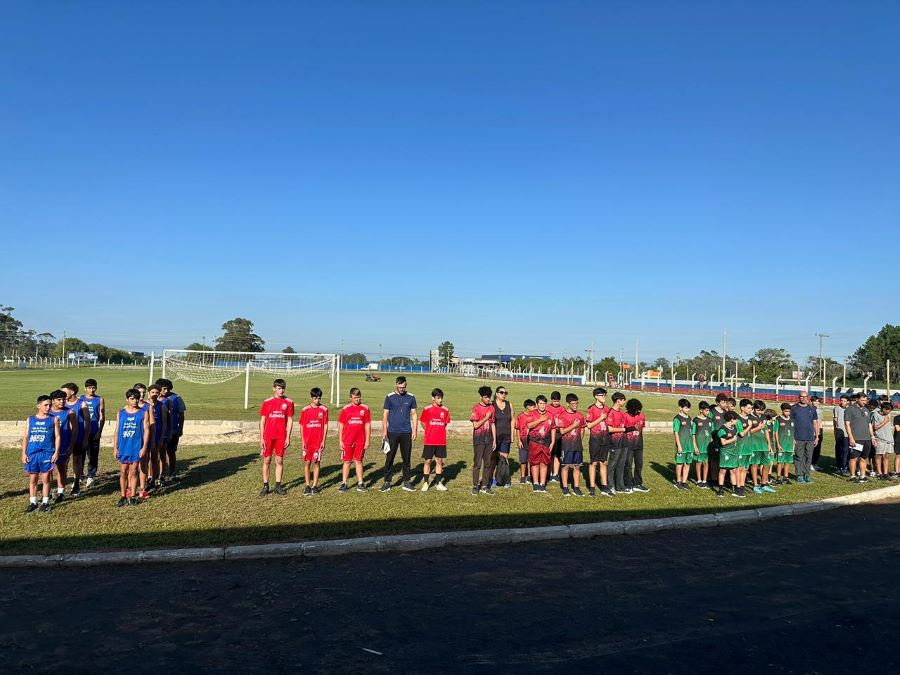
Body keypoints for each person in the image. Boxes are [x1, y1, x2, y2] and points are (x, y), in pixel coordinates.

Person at [21, 395, 61, 513]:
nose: (48, 407)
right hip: (32, 453)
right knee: (33, 479)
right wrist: (24, 453)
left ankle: (45, 502)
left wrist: (56, 452)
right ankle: (33, 502)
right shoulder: (30, 419)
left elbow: (58, 436)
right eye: (45, 405)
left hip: (46, 453)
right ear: (38, 406)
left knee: (46, 478)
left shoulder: (54, 419)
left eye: (50, 405)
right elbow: (26, 437)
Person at [113, 388, 150, 507]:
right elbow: (117, 430)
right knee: (123, 471)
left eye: (136, 399)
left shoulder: (143, 413)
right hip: (123, 446)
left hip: (136, 446)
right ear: (127, 399)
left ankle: (133, 496)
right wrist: (115, 447)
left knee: (134, 470)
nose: (134, 401)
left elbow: (146, 431)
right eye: (132, 399)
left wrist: (144, 447)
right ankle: (123, 496)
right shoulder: (121, 413)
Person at [381, 376, 418, 493]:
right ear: (396, 384)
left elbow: (414, 414)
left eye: (403, 387)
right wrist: (384, 430)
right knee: (390, 457)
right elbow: (385, 415)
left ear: (406, 385)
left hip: (406, 432)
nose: (401, 389)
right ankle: (387, 482)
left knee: (406, 458)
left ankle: (407, 482)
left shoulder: (411, 397)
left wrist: (415, 430)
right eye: (400, 386)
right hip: (392, 432)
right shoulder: (389, 397)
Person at [258, 378, 294, 496]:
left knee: (279, 460)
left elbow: (289, 420)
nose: (281, 390)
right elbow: (262, 421)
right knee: (267, 460)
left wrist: (288, 437)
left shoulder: (289, 402)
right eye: (279, 388)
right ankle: (265, 486)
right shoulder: (267, 402)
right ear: (274, 388)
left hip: (281, 436)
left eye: (283, 388)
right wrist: (261, 438)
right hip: (268, 436)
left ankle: (278, 486)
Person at [337, 387, 371, 492]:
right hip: (347, 440)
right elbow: (341, 424)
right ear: (351, 397)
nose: (357, 399)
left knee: (359, 461)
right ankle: (344, 483)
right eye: (355, 397)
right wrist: (340, 440)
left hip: (360, 440)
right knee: (347, 461)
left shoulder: (365, 408)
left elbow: (367, 425)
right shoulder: (346, 408)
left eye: (358, 397)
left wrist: (367, 440)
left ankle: (360, 483)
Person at [299, 387, 329, 496]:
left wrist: (323, 440)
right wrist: (303, 441)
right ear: (311, 398)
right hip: (307, 442)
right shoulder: (305, 409)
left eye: (319, 398)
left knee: (316, 462)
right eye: (315, 398)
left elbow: (325, 425)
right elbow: (302, 426)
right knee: (307, 462)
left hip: (318, 442)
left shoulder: (324, 410)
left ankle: (315, 485)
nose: (317, 401)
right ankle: (307, 485)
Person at [419, 388, 450, 492]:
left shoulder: (445, 410)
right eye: (438, 398)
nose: (440, 400)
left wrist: (438, 431)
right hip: (429, 440)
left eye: (441, 398)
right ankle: (426, 483)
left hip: (441, 440)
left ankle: (438, 483)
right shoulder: (427, 409)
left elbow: (445, 423)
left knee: (439, 461)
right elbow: (422, 422)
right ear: (433, 398)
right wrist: (429, 431)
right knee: (427, 461)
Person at [48, 390, 76, 503]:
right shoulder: (48, 411)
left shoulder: (70, 412)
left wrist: (71, 445)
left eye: (64, 399)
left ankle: (61, 493)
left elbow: (74, 431)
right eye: (59, 399)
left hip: (64, 445)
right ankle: (48, 492)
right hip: (49, 446)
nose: (62, 401)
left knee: (61, 469)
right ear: (52, 400)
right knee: (47, 470)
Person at [62, 382, 89, 496]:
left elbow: (87, 422)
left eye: (64, 391)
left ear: (72, 392)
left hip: (79, 437)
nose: (62, 394)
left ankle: (76, 484)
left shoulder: (82, 404)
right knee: (63, 462)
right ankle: (61, 487)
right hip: (66, 438)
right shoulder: (62, 404)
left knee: (77, 461)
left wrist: (86, 438)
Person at [584, 387, 611, 496]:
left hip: (605, 439)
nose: (604, 397)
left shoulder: (607, 408)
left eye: (605, 395)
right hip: (595, 440)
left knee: (604, 462)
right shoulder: (591, 409)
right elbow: (589, 425)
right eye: (601, 395)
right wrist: (601, 418)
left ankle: (604, 486)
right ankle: (592, 487)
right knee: (594, 463)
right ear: (596, 396)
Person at [470, 386, 496, 495]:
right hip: (479, 439)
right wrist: (486, 417)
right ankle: (475, 485)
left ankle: (485, 486)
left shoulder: (492, 408)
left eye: (489, 397)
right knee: (477, 463)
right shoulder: (476, 408)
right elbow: (475, 425)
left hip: (489, 439)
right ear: (481, 397)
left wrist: (494, 440)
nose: (488, 399)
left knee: (488, 463)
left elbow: (493, 424)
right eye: (485, 397)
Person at [558, 393, 585, 497]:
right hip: (566, 446)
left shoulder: (580, 415)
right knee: (565, 466)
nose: (575, 405)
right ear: (568, 404)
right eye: (573, 403)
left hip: (577, 446)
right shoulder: (562, 416)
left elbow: (582, 428)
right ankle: (565, 487)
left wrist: (579, 439)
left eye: (576, 403)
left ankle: (576, 487)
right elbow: (562, 431)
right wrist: (573, 426)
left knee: (577, 466)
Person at [526, 395, 555, 492]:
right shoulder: (532, 413)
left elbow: (553, 428)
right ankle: (535, 483)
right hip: (535, 441)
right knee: (535, 462)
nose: (542, 406)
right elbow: (529, 425)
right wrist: (540, 420)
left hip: (546, 442)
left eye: (544, 403)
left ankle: (542, 483)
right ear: (537, 404)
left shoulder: (550, 415)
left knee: (544, 462)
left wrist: (553, 441)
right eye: (540, 403)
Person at [80, 378, 106, 485]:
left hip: (94, 430)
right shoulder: (80, 399)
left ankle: (91, 475)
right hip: (82, 431)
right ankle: (80, 474)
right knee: (80, 454)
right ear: (85, 388)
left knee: (93, 455)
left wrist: (100, 431)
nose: (91, 390)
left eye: (93, 388)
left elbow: (102, 416)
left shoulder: (99, 399)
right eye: (89, 388)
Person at [791, 391, 820, 484]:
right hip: (798, 437)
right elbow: (791, 423)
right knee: (799, 456)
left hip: (810, 437)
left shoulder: (812, 408)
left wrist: (817, 436)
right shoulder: (794, 408)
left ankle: (806, 474)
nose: (803, 398)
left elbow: (815, 422)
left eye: (805, 397)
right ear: (798, 397)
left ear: (808, 397)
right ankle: (799, 475)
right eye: (801, 397)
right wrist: (792, 437)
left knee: (808, 457)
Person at [845, 393, 874, 483]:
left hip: (867, 439)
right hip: (856, 438)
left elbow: (869, 424)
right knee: (854, 457)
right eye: (862, 400)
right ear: (857, 399)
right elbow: (847, 424)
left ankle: (862, 476)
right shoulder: (850, 409)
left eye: (865, 400)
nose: (864, 402)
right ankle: (852, 476)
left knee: (864, 458)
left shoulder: (866, 410)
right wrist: (851, 438)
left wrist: (872, 436)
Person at [490, 386, 514, 488]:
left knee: (504, 459)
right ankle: (493, 480)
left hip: (506, 436)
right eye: (501, 392)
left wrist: (512, 434)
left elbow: (513, 419)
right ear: (496, 394)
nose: (503, 394)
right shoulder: (492, 405)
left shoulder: (509, 405)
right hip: (494, 436)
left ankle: (505, 479)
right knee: (493, 458)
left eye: (505, 393)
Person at [749, 400, 776, 494]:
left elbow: (766, 431)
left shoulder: (764, 417)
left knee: (767, 464)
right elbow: (746, 432)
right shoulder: (749, 417)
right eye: (758, 410)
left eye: (762, 410)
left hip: (764, 445)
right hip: (754, 446)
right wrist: (758, 428)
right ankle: (756, 485)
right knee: (754, 465)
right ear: (754, 408)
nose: (760, 412)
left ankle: (764, 484)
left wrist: (769, 445)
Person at [146, 384, 168, 492]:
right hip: (146, 436)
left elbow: (164, 423)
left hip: (157, 436)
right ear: (148, 393)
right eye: (152, 392)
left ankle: (154, 479)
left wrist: (161, 438)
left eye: (157, 393)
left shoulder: (162, 406)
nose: (154, 394)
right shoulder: (144, 405)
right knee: (146, 459)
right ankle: (147, 478)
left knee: (155, 458)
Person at [606, 392, 628, 494]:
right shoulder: (611, 412)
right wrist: (622, 429)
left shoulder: (622, 412)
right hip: (614, 442)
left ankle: (620, 486)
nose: (624, 402)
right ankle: (610, 486)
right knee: (612, 465)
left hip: (623, 442)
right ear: (618, 400)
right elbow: (609, 429)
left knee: (621, 464)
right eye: (623, 400)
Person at [624, 398, 649, 492]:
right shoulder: (625, 416)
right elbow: (623, 430)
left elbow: (641, 428)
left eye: (639, 409)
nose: (638, 411)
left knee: (639, 465)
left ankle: (638, 483)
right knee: (628, 465)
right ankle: (628, 484)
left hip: (639, 445)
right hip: (628, 445)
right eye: (636, 410)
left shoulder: (642, 416)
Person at [715, 412, 740, 498]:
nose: (737, 421)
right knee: (723, 470)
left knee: (733, 470)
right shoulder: (722, 429)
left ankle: (734, 490)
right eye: (736, 419)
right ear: (732, 419)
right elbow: (723, 442)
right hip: (725, 452)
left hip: (733, 451)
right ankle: (721, 490)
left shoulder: (734, 428)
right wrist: (733, 440)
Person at [707, 393, 729, 487]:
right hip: (714, 438)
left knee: (721, 459)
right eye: (723, 402)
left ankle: (720, 479)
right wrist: (710, 437)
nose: (725, 404)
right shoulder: (712, 412)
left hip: (723, 439)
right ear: (717, 402)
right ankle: (711, 479)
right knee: (713, 460)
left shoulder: (725, 413)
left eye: (725, 402)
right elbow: (708, 425)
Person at [733, 399, 754, 496]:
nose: (750, 410)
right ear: (742, 408)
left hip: (748, 447)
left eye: (751, 408)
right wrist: (749, 426)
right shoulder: (737, 419)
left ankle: (742, 486)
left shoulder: (749, 419)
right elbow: (741, 434)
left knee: (745, 468)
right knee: (739, 468)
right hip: (740, 447)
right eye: (749, 408)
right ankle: (737, 488)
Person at [673, 399, 693, 490]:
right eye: (685, 408)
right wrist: (679, 445)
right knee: (680, 463)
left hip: (690, 445)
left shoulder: (689, 418)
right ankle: (678, 481)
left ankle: (684, 481)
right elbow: (676, 433)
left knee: (687, 463)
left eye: (688, 408)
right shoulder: (677, 419)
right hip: (682, 445)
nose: (687, 410)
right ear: (680, 408)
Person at [772, 403, 795, 485]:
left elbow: (793, 432)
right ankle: (778, 478)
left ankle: (786, 477)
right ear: (782, 411)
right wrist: (777, 444)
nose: (787, 413)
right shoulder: (778, 420)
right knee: (780, 462)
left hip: (789, 445)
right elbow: (775, 432)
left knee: (787, 461)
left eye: (789, 411)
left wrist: (793, 443)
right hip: (781, 444)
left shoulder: (792, 420)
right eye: (786, 411)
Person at [515, 399, 536, 484]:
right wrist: (519, 440)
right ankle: (523, 476)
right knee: (523, 459)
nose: (534, 408)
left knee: (531, 459)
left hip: (532, 440)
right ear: (527, 407)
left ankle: (530, 476)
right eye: (533, 406)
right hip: (523, 440)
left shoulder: (535, 416)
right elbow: (517, 429)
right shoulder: (521, 416)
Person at [692, 401, 712, 487]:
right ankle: (699, 480)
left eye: (708, 410)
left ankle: (704, 480)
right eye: (706, 410)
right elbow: (693, 434)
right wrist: (695, 446)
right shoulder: (696, 420)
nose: (708, 412)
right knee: (698, 463)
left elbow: (711, 433)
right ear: (701, 410)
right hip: (699, 446)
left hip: (707, 446)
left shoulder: (710, 420)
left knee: (706, 463)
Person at [547, 392, 566, 483]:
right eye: (554, 401)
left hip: (559, 434)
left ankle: (555, 474)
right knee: (549, 453)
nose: (556, 403)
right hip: (549, 433)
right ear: (551, 400)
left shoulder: (562, 409)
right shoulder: (547, 407)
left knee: (557, 454)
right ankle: (549, 472)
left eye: (557, 401)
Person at [872, 401, 893, 480]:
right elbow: (875, 427)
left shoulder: (888, 415)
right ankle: (879, 473)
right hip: (880, 439)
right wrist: (885, 421)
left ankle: (885, 473)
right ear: (883, 409)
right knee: (878, 456)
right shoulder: (875, 414)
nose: (889, 412)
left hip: (888, 440)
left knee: (886, 456)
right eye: (887, 410)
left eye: (890, 410)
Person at [833, 394, 851, 476]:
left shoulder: (851, 409)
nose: (842, 402)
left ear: (848, 402)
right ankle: (839, 467)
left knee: (847, 451)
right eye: (841, 400)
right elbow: (835, 420)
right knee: (839, 450)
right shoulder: (837, 408)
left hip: (848, 433)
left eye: (844, 401)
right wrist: (835, 431)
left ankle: (846, 466)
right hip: (840, 432)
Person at [810, 395, 823, 471]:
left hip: (818, 431)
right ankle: (809, 463)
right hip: (811, 431)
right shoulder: (809, 409)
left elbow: (820, 422)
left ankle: (815, 463)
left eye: (818, 401)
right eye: (815, 401)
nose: (817, 403)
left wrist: (820, 432)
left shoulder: (820, 411)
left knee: (818, 448)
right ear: (811, 402)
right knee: (811, 448)